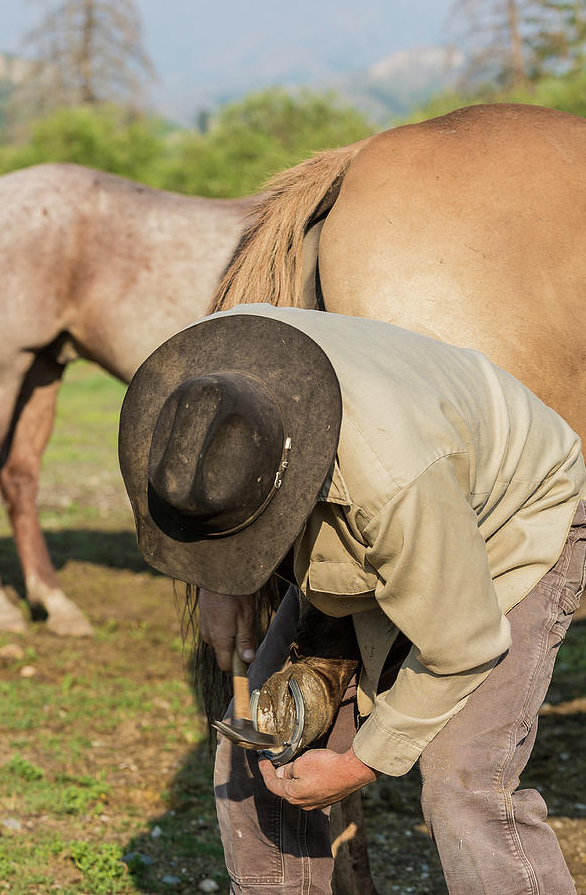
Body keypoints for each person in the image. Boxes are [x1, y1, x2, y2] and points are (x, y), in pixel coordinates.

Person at [118, 303, 585, 894]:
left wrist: (359, 762)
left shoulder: (394, 483)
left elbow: (463, 644)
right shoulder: (208, 390)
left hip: (510, 516)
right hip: (367, 516)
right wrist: (219, 578)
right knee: (259, 752)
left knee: (462, 783)